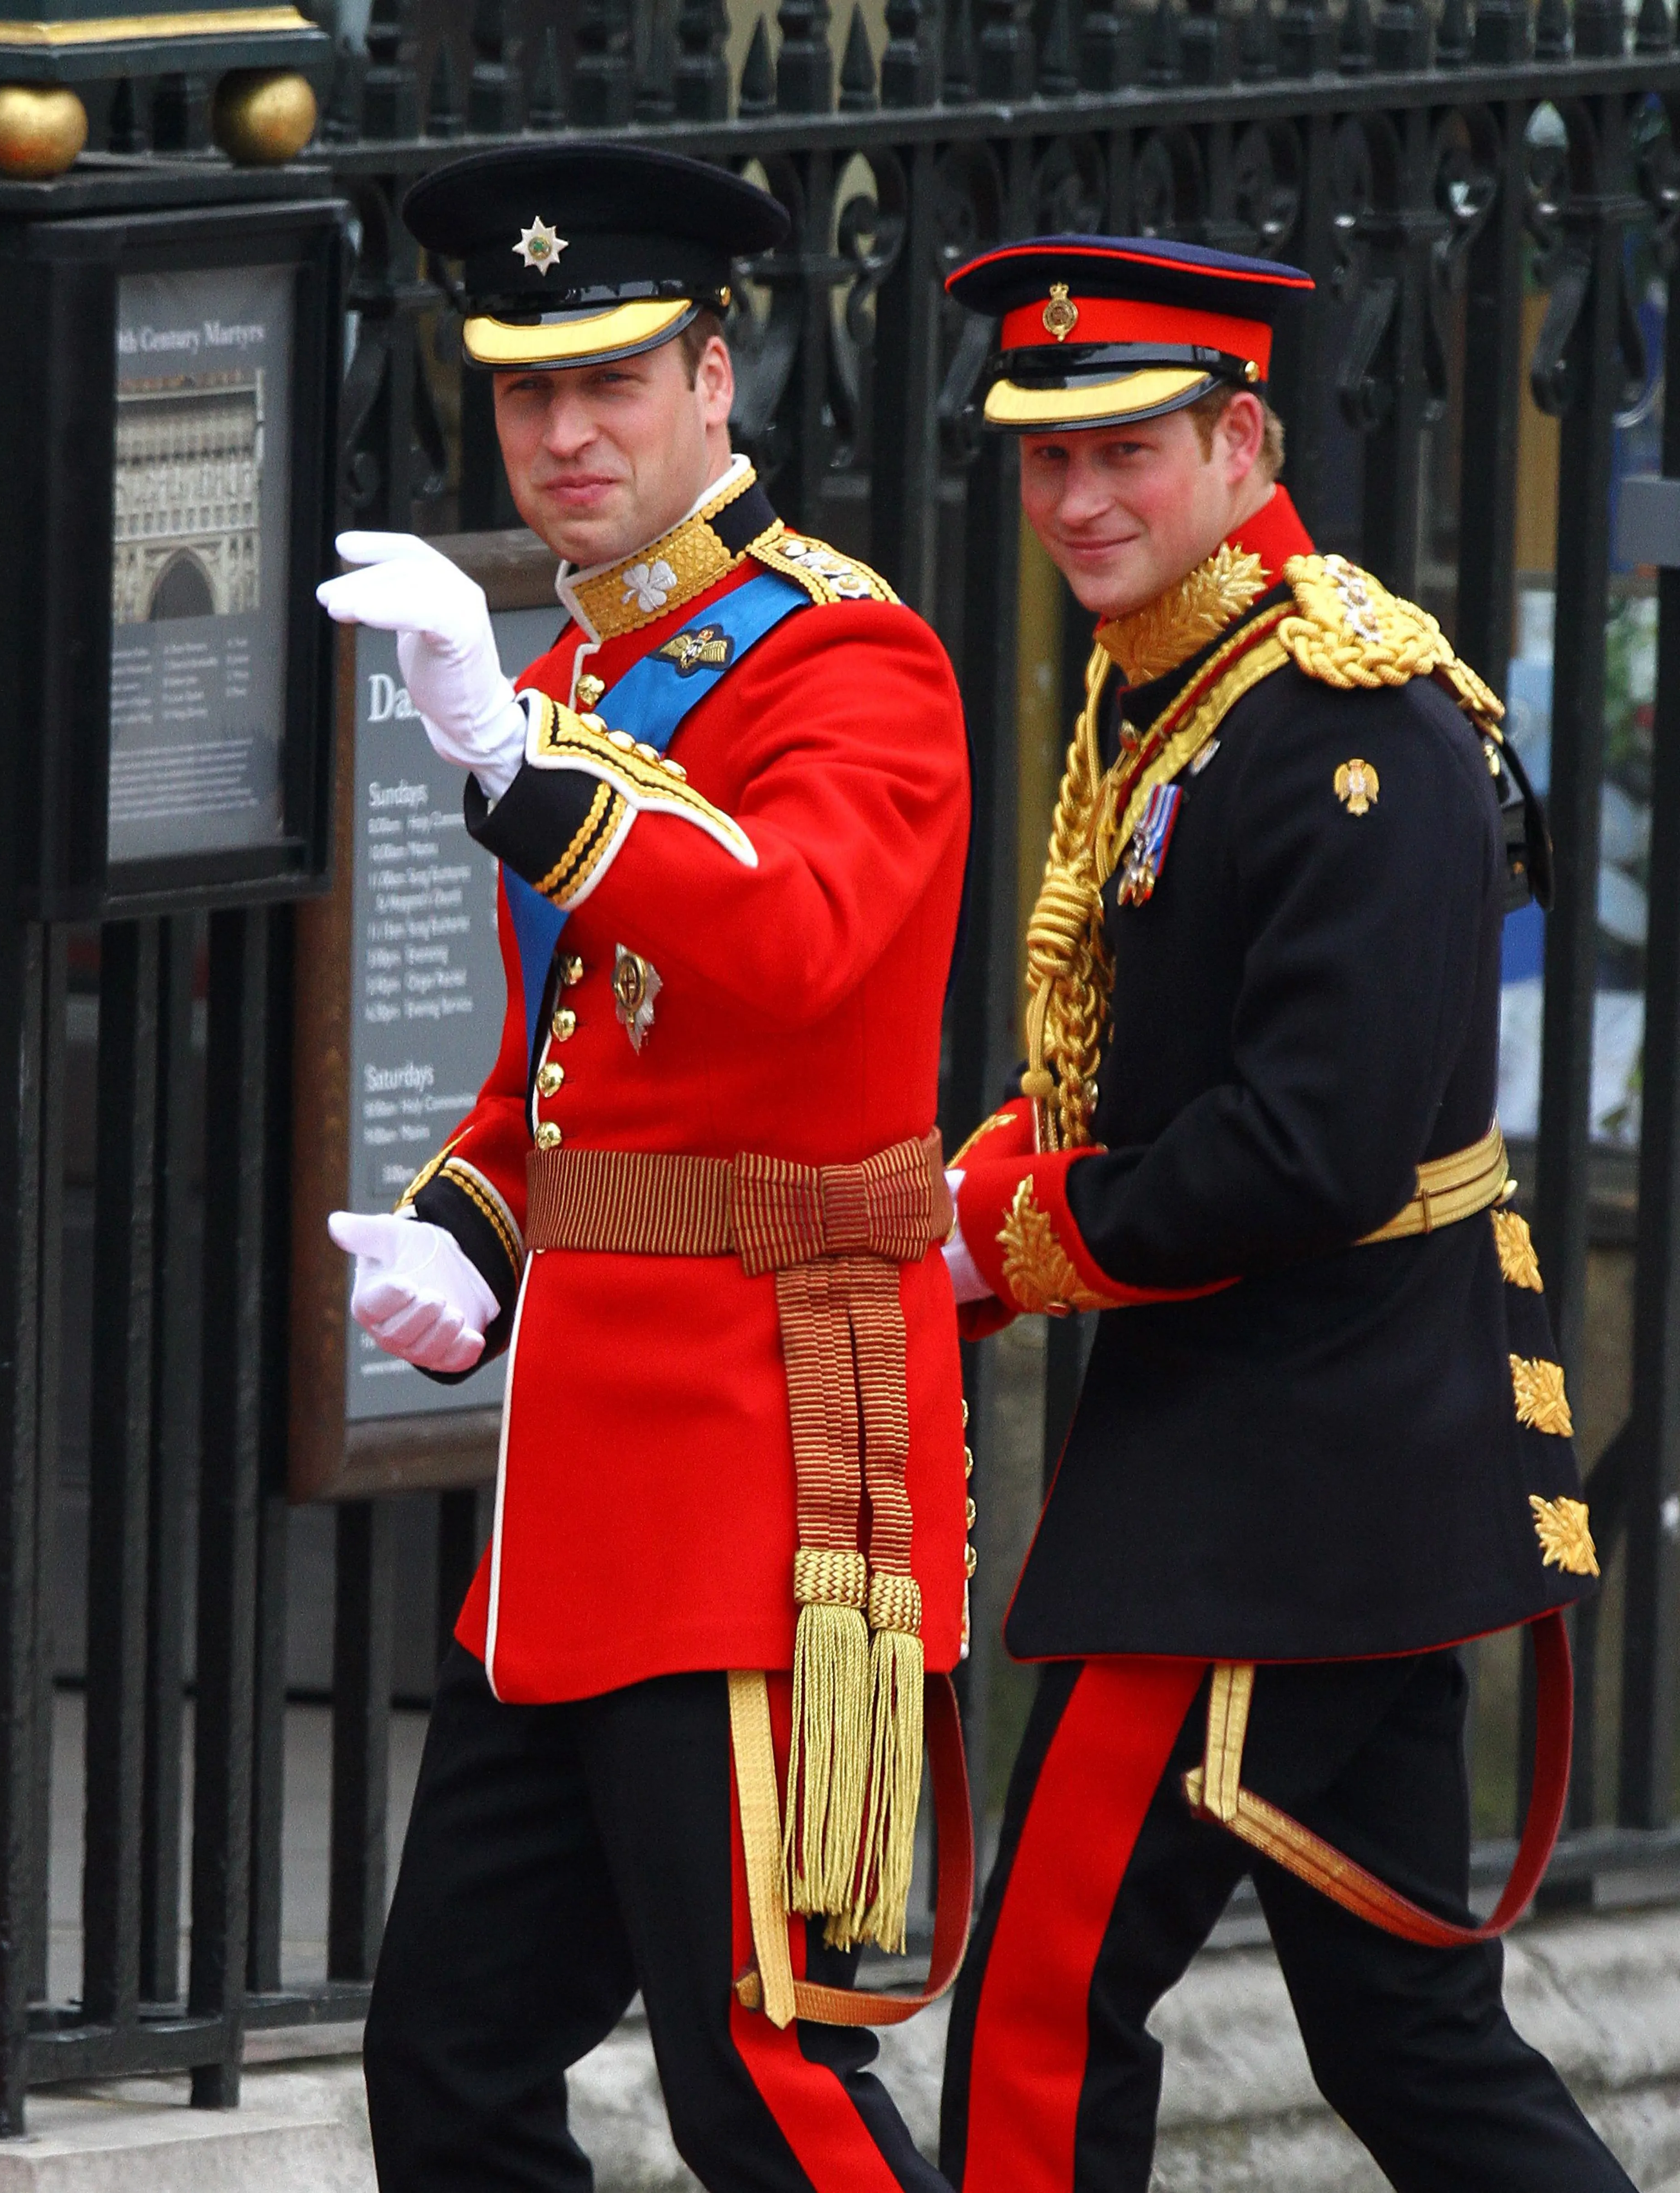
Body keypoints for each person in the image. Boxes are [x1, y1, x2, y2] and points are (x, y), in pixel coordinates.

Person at [935, 234, 1635, 2193]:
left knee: (1044, 2001)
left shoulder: (1348, 717)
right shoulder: (1180, 673)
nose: (1080, 500)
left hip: (1279, 1482)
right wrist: (986, 1177)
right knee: (1409, 2037)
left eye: (1128, 452)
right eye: (1049, 458)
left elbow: (1310, 1149)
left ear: (1242, 442)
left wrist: (1012, 1239)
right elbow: (1133, 1050)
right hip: (1312, 1467)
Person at [317, 142, 974, 2193]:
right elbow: (576, 1066)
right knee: (447, 2064)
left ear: (713, 375)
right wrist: (461, 1225)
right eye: (527, 393)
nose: (566, 435)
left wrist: (522, 769)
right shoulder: (576, 675)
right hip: (581, 1502)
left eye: (611, 380)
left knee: (763, 2083)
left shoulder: (852, 659)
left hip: (767, 1466)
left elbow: (791, 936)